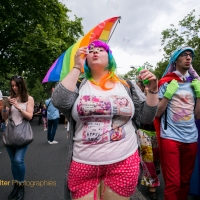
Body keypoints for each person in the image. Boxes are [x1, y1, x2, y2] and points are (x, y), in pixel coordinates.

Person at [51, 40, 159, 200]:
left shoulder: (126, 85)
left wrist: (154, 89)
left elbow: (146, 117)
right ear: (85, 58)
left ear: (110, 58)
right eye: (91, 50)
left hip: (124, 162)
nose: (95, 52)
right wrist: (76, 67)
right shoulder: (79, 84)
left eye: (101, 49)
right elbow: (59, 101)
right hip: (83, 163)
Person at [154, 46, 200, 200]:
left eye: (190, 55)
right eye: (184, 55)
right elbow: (157, 113)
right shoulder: (166, 83)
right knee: (173, 182)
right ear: (175, 59)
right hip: (171, 138)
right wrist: (168, 94)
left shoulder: (195, 84)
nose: (188, 58)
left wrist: (199, 95)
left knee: (185, 181)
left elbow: (198, 115)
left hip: (191, 138)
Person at [1, 75, 34, 200]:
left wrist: (18, 107)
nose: (14, 87)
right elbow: (4, 118)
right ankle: (15, 185)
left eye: (16, 85)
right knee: (13, 162)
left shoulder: (29, 99)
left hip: (22, 133)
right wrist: (5, 107)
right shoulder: (10, 98)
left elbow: (30, 117)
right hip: (10, 133)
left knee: (18, 160)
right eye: (12, 85)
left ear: (21, 85)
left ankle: (21, 186)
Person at [136, 83, 160, 200]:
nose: (146, 87)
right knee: (147, 159)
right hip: (143, 131)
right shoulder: (137, 98)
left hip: (157, 132)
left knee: (155, 159)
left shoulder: (158, 96)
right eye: (143, 86)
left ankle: (152, 176)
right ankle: (153, 187)